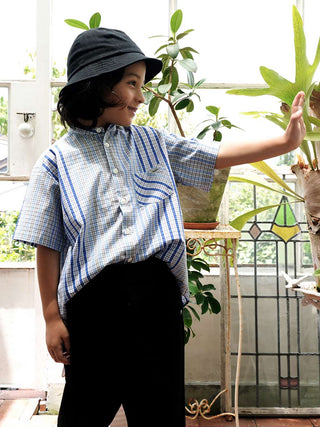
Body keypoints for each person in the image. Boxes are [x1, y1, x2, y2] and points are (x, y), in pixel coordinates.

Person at [14, 27, 306, 427]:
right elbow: (46, 242)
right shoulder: (56, 161)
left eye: (142, 83)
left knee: (160, 413)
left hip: (157, 297)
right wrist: (51, 315)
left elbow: (215, 154)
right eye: (131, 83)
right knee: (83, 412)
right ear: (98, 84)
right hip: (94, 306)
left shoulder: (153, 143)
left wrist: (285, 142)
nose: (140, 94)